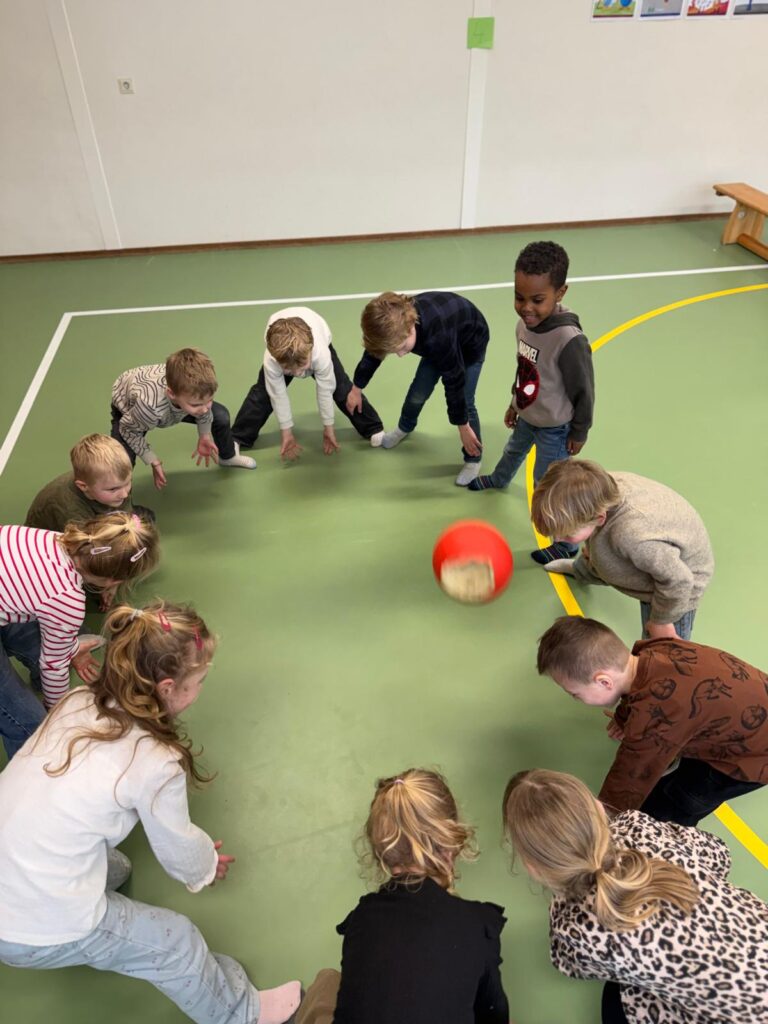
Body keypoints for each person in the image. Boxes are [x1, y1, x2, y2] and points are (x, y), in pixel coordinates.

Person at [0, 600, 300, 1024]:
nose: (200, 689)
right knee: (177, 945)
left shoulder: (77, 700)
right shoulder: (155, 762)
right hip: (34, 924)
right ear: (167, 687)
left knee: (115, 866)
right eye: (198, 681)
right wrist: (204, 866)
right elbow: (177, 847)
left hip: (11, 869)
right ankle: (240, 1012)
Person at [502, 769, 768, 1024]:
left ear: (533, 868)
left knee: (618, 1000)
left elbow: (570, 965)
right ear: (599, 808)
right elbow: (719, 853)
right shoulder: (637, 824)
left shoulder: (573, 926)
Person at [296, 768, 509, 1024]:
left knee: (327, 980)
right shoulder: (477, 925)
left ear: (381, 853)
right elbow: (495, 1014)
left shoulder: (362, 918)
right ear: (450, 844)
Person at [536, 616, 767, 824]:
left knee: (683, 800)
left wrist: (606, 815)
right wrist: (623, 717)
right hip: (749, 706)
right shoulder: (654, 649)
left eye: (575, 694)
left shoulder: (656, 717)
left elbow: (631, 774)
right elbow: (635, 691)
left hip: (754, 755)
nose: (576, 699)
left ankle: (669, 827)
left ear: (604, 681)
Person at [468, 241, 594, 564]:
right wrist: (515, 403)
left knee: (547, 485)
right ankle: (499, 479)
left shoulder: (569, 340)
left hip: (556, 427)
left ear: (560, 292)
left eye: (537, 300)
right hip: (528, 415)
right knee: (512, 451)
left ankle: (566, 545)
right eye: (519, 297)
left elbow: (584, 389)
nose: (526, 308)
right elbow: (526, 369)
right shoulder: (524, 326)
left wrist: (579, 431)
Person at [0, 513, 159, 760]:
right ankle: (31, 772)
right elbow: (53, 666)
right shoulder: (67, 600)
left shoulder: (49, 538)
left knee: (45, 637)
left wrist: (68, 647)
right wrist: (57, 710)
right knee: (31, 726)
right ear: (114, 580)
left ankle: (47, 672)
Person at [531, 459, 714, 640]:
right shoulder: (596, 489)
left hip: (680, 585)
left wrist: (661, 622)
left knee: (661, 645)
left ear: (600, 518)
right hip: (656, 551)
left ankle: (662, 642)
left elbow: (679, 581)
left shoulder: (632, 535)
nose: (557, 540)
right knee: (601, 553)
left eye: (567, 534)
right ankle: (582, 570)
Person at [345, 291, 489, 486]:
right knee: (417, 393)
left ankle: (473, 459)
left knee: (466, 401)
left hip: (470, 345)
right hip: (440, 340)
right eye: (393, 350)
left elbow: (454, 382)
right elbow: (374, 353)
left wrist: (462, 426)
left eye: (403, 347)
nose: (400, 355)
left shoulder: (438, 337)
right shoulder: (395, 325)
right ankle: (404, 427)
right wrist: (356, 389)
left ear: (412, 325)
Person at [231, 307, 385, 459]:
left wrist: (329, 428)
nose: (298, 373)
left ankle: (373, 427)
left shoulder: (321, 353)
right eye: (289, 369)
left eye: (302, 366)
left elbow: (325, 390)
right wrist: (286, 432)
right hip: (285, 352)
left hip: (315, 336)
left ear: (311, 350)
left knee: (341, 388)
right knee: (263, 394)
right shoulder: (272, 361)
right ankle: (237, 437)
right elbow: (277, 395)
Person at [110, 347, 256, 490]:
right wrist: (153, 460)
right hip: (130, 407)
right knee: (120, 461)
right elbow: (128, 430)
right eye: (196, 404)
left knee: (220, 416)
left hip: (172, 403)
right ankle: (115, 501)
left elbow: (203, 408)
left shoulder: (191, 393)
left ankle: (228, 456)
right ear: (172, 394)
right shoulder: (149, 407)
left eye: (210, 400)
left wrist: (204, 436)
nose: (205, 409)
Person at [25, 433, 154, 531]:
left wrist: (127, 519)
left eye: (128, 482)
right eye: (113, 489)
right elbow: (87, 548)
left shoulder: (111, 482)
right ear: (83, 486)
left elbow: (123, 499)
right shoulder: (70, 510)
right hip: (59, 538)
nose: (124, 494)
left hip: (95, 512)